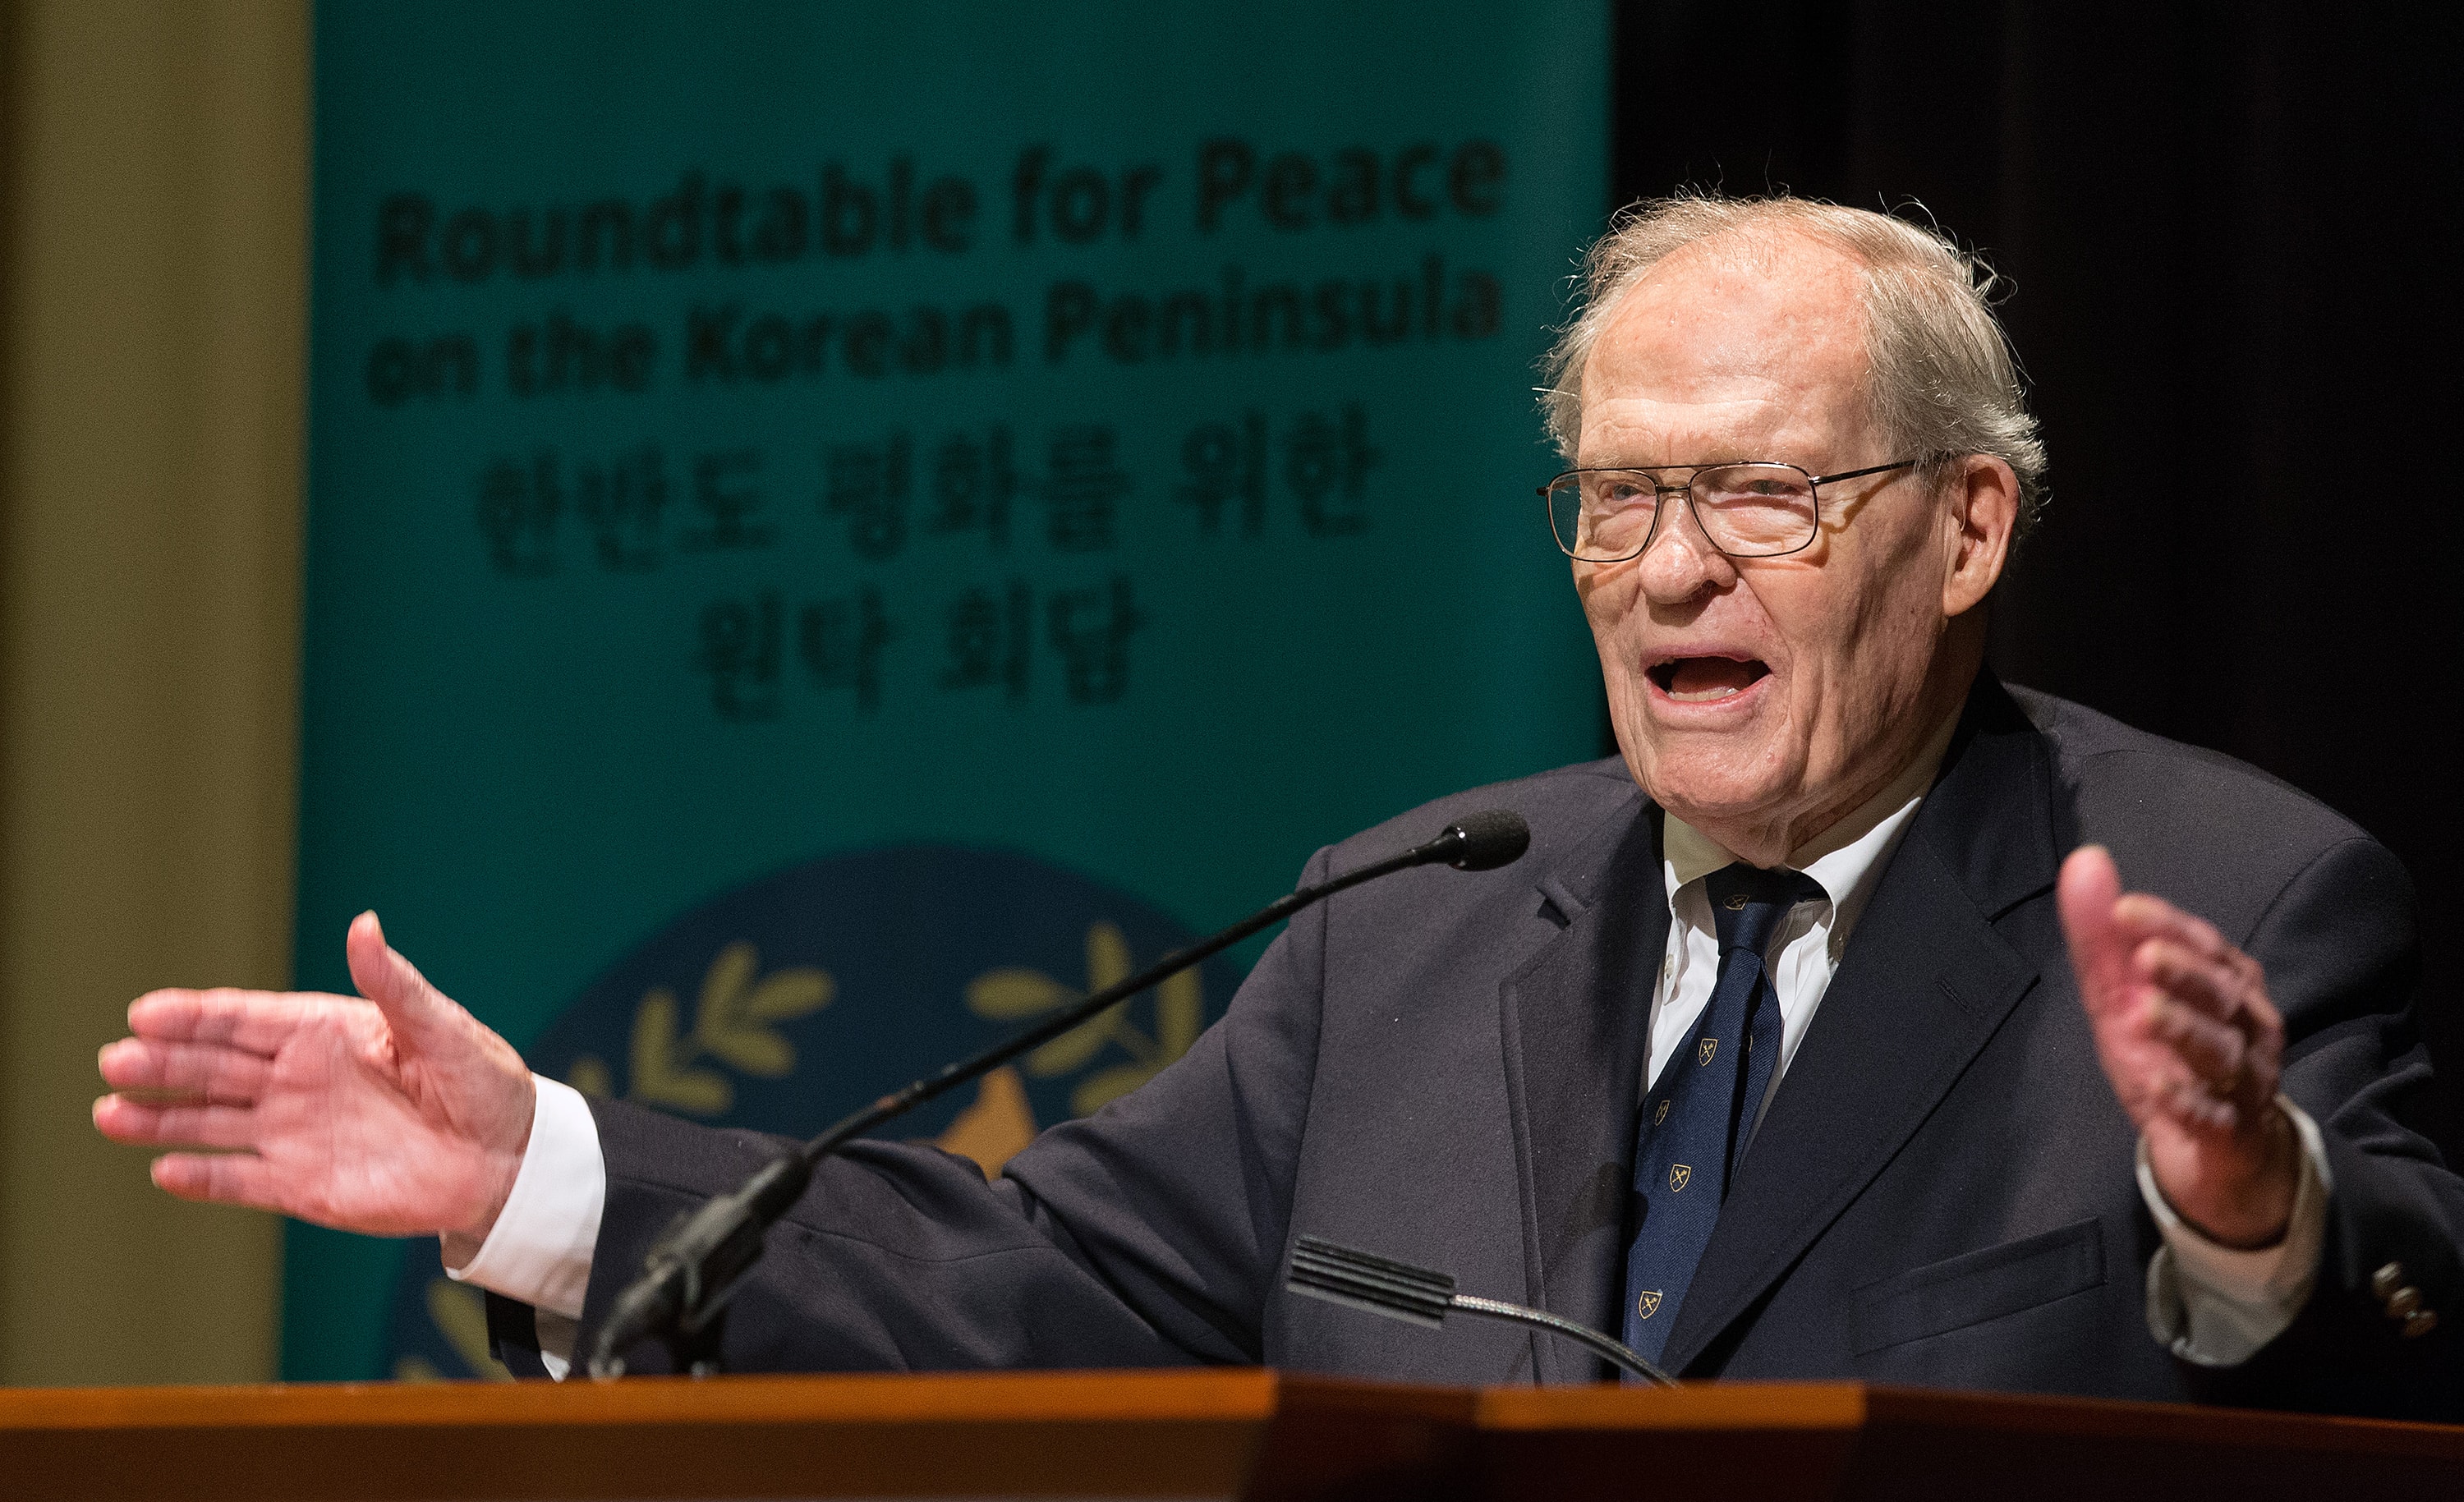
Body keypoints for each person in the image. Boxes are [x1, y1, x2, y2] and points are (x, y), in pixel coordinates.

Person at [94, 195, 2461, 1417]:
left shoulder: (2233, 903)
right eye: (1613, 501)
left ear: (1964, 531)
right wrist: (545, 1179)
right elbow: (1039, 1292)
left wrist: (2246, 1213)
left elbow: (2406, 1353)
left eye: (1757, 497)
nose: (1661, 576)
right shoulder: (1419, 921)